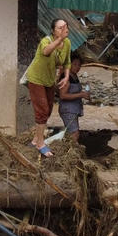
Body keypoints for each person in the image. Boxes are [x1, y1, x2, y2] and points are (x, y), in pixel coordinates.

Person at [24, 18, 71, 158]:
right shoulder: (46, 41)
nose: (64, 30)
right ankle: (40, 144)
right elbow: (46, 52)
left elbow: (67, 61)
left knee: (49, 110)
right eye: (60, 28)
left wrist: (66, 77)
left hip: (50, 80)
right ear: (53, 31)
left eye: (65, 27)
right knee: (42, 110)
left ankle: (35, 140)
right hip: (37, 79)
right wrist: (58, 40)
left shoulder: (67, 43)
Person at [58, 53, 92, 143]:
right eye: (75, 64)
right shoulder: (66, 77)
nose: (77, 67)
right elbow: (62, 95)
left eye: (79, 65)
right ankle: (71, 153)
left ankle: (70, 150)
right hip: (67, 110)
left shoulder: (74, 76)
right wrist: (81, 95)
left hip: (73, 109)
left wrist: (84, 94)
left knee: (72, 132)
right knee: (75, 133)